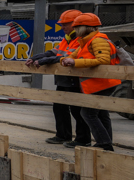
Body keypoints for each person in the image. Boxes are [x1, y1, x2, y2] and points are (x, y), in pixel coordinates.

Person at [28, 10, 91, 147]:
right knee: (59, 107)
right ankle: (63, 135)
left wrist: (44, 60)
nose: (62, 27)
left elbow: (65, 57)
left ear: (75, 24)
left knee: (77, 110)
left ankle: (83, 139)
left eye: (65, 24)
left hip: (75, 80)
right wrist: (36, 57)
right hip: (65, 79)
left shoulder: (79, 40)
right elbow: (54, 52)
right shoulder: (67, 38)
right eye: (62, 24)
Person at [60, 12, 120, 152]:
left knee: (88, 114)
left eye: (76, 27)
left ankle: (104, 143)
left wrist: (75, 62)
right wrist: (64, 59)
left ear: (85, 27)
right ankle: (106, 143)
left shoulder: (97, 40)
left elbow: (103, 60)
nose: (74, 30)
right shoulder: (85, 41)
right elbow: (70, 56)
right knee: (101, 114)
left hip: (103, 83)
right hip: (100, 83)